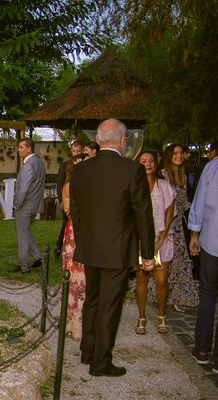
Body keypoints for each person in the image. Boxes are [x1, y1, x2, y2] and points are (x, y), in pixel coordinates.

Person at [71, 118, 155, 377]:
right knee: (109, 305)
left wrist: (84, 238)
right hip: (118, 249)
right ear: (122, 140)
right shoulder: (132, 170)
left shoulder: (82, 170)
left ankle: (88, 351)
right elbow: (143, 214)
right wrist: (148, 253)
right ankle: (100, 362)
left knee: (93, 300)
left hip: (90, 245)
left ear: (97, 140)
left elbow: (76, 209)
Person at [133, 150, 175, 335]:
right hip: (141, 240)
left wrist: (161, 238)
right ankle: (142, 317)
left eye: (151, 161)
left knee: (162, 280)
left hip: (161, 238)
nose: (148, 164)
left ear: (156, 164)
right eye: (144, 161)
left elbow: (169, 213)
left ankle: (161, 315)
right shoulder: (134, 185)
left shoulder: (164, 185)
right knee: (142, 278)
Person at [188, 141, 218, 370]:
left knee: (208, 295)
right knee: (207, 294)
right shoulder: (211, 168)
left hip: (212, 242)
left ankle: (202, 349)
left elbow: (198, 203)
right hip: (212, 242)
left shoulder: (212, 168)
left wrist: (194, 234)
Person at [161, 144, 198, 311]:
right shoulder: (163, 175)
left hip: (180, 225)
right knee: (166, 260)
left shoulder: (185, 176)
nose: (179, 156)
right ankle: (163, 293)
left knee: (180, 260)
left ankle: (177, 295)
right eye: (175, 153)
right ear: (169, 156)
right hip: (166, 222)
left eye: (181, 153)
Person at [60, 153, 87, 339]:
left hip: (89, 233)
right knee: (73, 278)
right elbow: (69, 210)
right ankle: (72, 323)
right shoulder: (69, 187)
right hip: (75, 233)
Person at [12, 138, 46, 273]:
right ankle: (38, 257)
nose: (18, 149)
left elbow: (23, 189)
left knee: (23, 236)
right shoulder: (40, 163)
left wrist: (17, 205)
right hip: (35, 205)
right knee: (26, 231)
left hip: (25, 206)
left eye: (21, 147)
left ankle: (24, 266)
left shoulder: (28, 165)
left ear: (29, 149)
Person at [54, 141, 84, 258]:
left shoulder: (86, 164)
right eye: (74, 151)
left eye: (78, 151)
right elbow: (60, 183)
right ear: (71, 151)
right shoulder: (65, 165)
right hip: (67, 197)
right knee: (65, 224)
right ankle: (59, 246)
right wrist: (61, 200)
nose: (76, 153)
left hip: (80, 198)